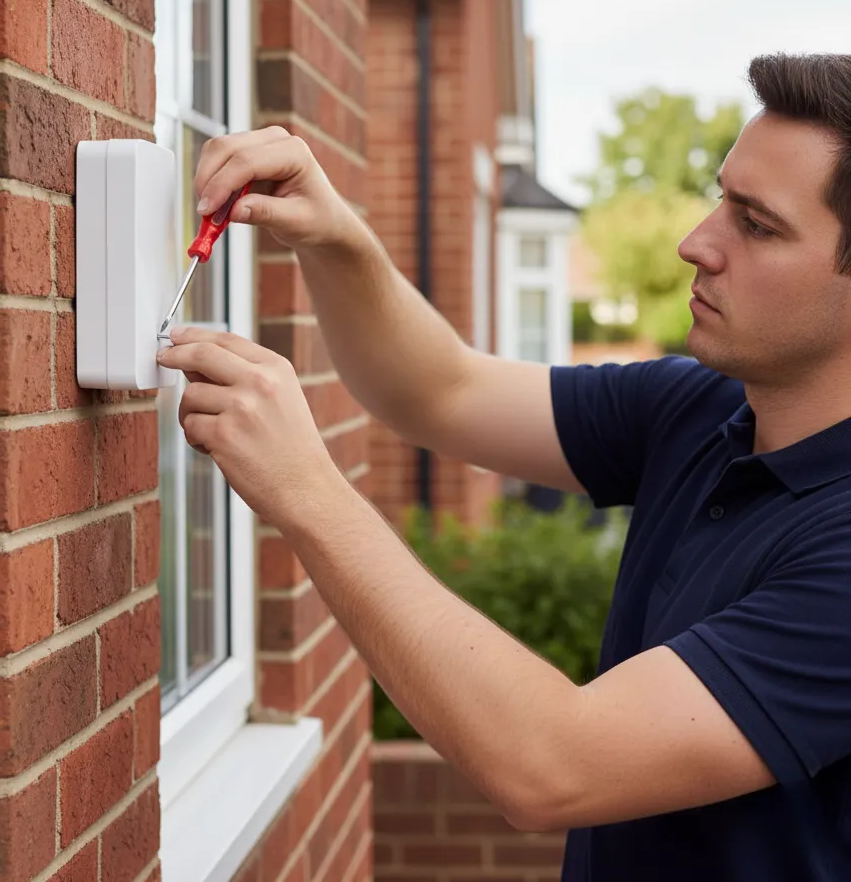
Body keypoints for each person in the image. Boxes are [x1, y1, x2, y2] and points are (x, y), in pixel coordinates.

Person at [156, 52, 851, 880]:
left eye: (757, 224)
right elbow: (439, 390)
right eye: (719, 199)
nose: (696, 242)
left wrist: (306, 491)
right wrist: (334, 232)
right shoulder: (700, 409)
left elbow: (553, 766)